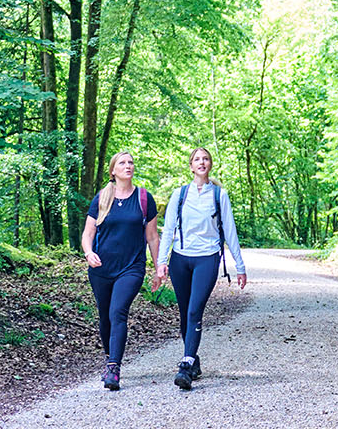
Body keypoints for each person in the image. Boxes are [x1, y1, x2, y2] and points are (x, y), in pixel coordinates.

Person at [156, 147, 247, 390]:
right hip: (180, 259)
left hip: (207, 258)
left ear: (210, 164)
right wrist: (161, 262)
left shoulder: (219, 195)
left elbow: (230, 231)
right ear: (191, 165)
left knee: (195, 310)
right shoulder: (180, 194)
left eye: (205, 159)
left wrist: (240, 266)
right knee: (185, 312)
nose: (201, 162)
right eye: (197, 159)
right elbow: (168, 230)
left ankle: (185, 365)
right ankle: (193, 359)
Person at [82, 149, 160, 391]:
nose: (128, 166)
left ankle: (114, 367)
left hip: (131, 268)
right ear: (113, 170)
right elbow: (88, 234)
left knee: (118, 312)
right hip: (101, 268)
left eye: (131, 162)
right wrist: (88, 252)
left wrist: (159, 268)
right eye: (123, 163)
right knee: (105, 316)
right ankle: (109, 358)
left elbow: (152, 237)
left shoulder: (144, 199)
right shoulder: (102, 198)